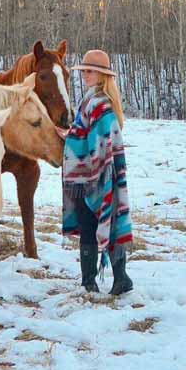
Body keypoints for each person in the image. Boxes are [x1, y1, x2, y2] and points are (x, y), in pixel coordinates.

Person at [56, 50, 133, 295]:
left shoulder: (101, 104)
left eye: (89, 71)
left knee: (102, 222)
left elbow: (101, 143)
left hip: (95, 175)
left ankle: (113, 279)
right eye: (84, 71)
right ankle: (96, 280)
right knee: (92, 224)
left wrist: (75, 138)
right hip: (84, 175)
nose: (85, 75)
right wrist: (71, 135)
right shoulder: (90, 100)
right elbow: (87, 134)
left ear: (101, 75)